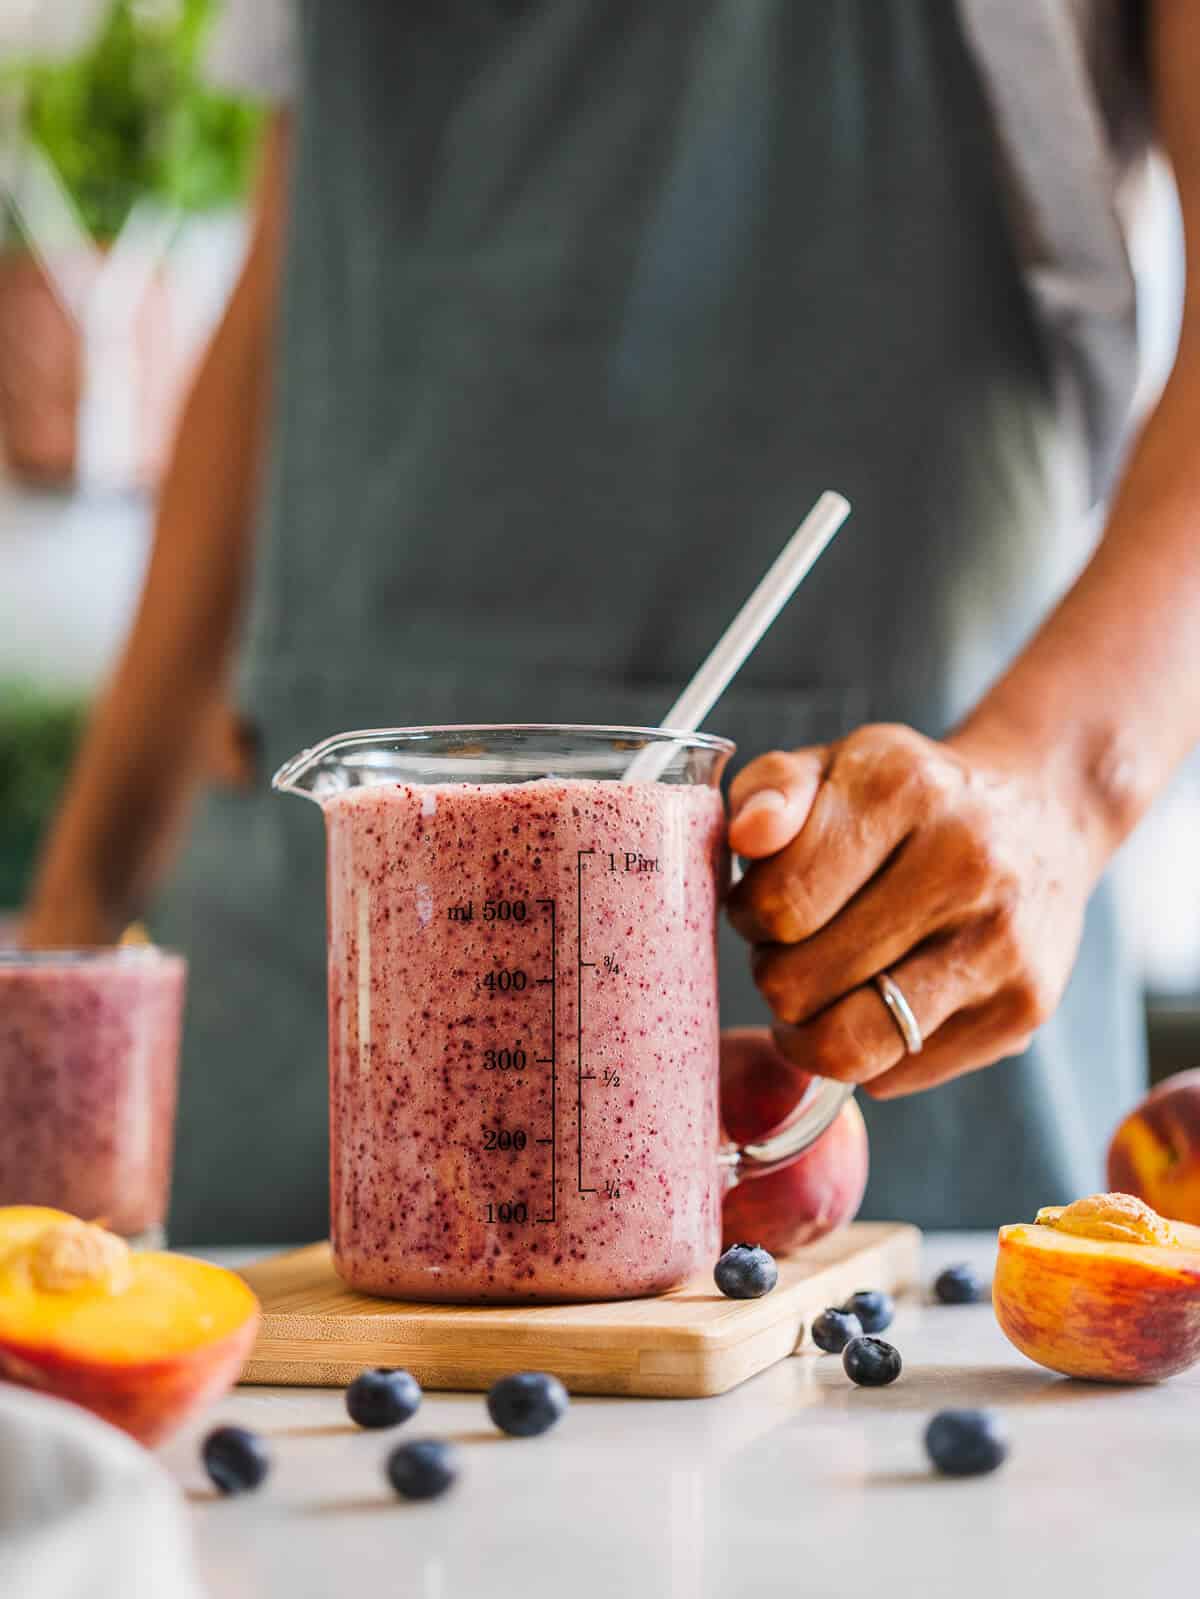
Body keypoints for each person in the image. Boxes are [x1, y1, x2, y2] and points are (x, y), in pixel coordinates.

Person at [23, 1, 1200, 1243]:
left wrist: (1061, 791)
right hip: (301, 968)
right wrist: (71, 925)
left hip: (855, 971)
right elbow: (285, 285)